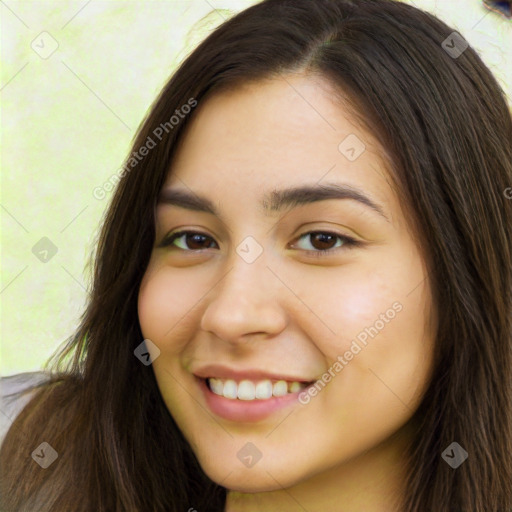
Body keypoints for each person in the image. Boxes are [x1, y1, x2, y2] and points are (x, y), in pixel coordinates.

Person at [1, 0, 511, 510]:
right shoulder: (21, 453)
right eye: (194, 239)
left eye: (322, 240)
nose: (229, 314)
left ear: (466, 265)